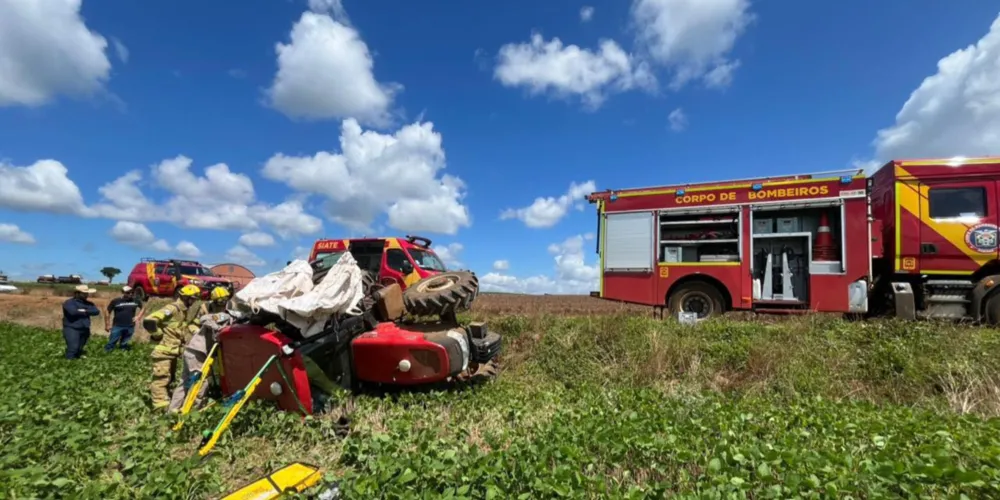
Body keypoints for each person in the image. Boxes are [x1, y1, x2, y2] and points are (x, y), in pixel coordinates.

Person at [168, 286, 234, 412]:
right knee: (200, 382)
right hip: (197, 352)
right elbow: (204, 319)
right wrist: (217, 328)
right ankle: (192, 411)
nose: (223, 304)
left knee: (185, 381)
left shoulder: (227, 313)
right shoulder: (214, 314)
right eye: (220, 301)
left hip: (192, 352)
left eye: (224, 301)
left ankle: (173, 410)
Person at [142, 284, 202, 411]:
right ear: (185, 297)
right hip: (163, 351)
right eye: (192, 299)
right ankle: (159, 406)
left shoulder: (183, 311)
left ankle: (166, 399)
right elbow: (149, 321)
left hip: (172, 351)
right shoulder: (172, 308)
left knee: (170, 378)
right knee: (161, 378)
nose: (194, 302)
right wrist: (157, 335)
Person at [62, 285, 100, 359]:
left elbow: (96, 311)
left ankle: (76, 362)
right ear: (77, 293)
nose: (86, 295)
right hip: (72, 328)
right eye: (84, 293)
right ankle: (68, 363)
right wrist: (88, 312)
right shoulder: (69, 302)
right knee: (73, 348)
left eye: (87, 293)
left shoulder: (89, 303)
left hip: (85, 328)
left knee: (79, 348)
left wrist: (84, 311)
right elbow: (73, 312)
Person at [104, 285, 146, 352]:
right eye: (128, 292)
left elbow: (143, 308)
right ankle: (106, 353)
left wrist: (138, 317)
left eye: (132, 292)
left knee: (124, 342)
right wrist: (107, 324)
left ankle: (122, 353)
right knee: (112, 342)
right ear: (123, 292)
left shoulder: (135, 300)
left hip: (130, 326)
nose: (130, 294)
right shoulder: (116, 301)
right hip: (117, 326)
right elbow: (107, 311)